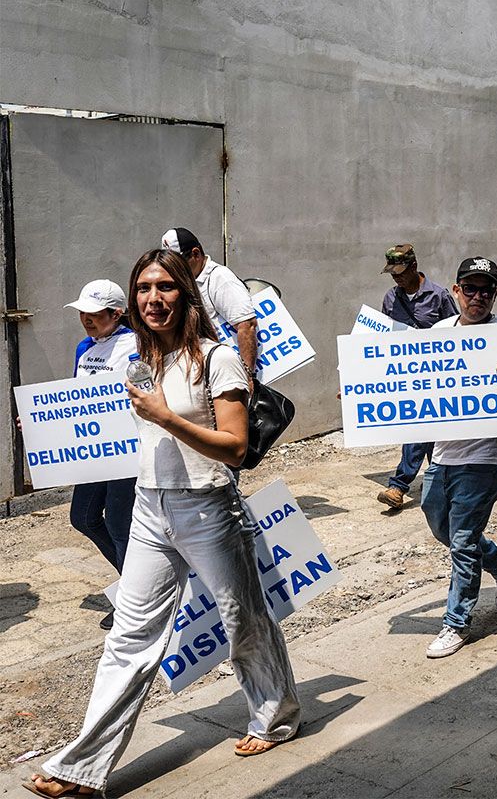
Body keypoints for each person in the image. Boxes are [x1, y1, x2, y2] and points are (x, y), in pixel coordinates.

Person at [25, 249, 301, 799]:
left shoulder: (216, 359)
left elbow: (236, 447)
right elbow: (104, 422)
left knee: (241, 618)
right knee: (129, 638)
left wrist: (167, 418)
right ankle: (82, 768)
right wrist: (45, 427)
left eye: (165, 287)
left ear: (186, 294)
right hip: (149, 508)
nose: (153, 298)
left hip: (207, 508)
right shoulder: (138, 359)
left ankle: (276, 716)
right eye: (144, 288)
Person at [423, 256, 497, 658]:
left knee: (461, 539)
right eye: (469, 289)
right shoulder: (438, 332)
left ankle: (456, 623)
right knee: (443, 528)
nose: (477, 297)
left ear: (495, 294)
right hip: (442, 454)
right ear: (455, 291)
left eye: (485, 290)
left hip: (487, 457)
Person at [66, 279, 138, 629]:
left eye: (95, 313)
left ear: (117, 313)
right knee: (83, 517)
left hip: (127, 447)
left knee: (120, 524)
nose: (86, 319)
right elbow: (72, 397)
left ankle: (133, 599)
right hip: (94, 450)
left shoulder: (136, 346)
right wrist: (39, 423)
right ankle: (141, 584)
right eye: (83, 312)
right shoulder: (84, 348)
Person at [375, 244, 458, 511]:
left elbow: (456, 332)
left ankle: (399, 485)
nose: (396, 277)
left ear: (414, 266)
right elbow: (382, 338)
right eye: (392, 273)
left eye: (400, 272)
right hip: (406, 376)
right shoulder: (391, 298)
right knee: (425, 427)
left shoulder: (438, 296)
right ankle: (439, 479)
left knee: (421, 426)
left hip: (436, 374)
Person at [161, 227, 259, 381]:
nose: (175, 270)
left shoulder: (220, 278)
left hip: (229, 375)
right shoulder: (188, 281)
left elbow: (246, 326)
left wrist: (248, 378)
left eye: (179, 264)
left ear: (195, 254)